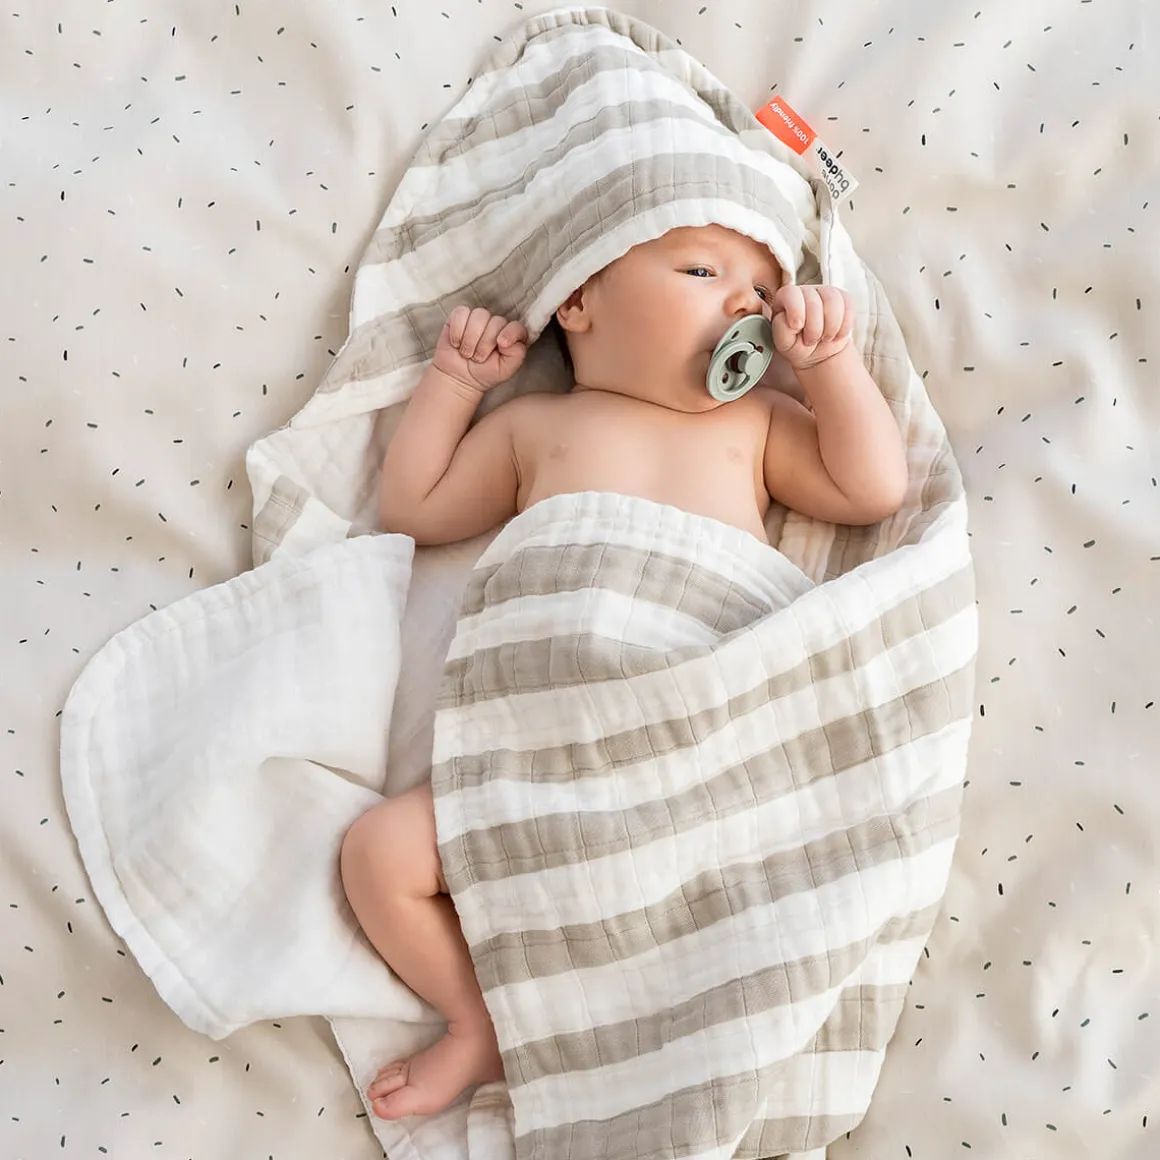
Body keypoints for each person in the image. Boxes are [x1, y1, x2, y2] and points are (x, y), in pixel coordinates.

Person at [339, 223, 909, 1120]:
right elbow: (415, 505)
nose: (747, 303)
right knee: (378, 855)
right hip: (541, 753)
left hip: (696, 744)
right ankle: (477, 1017)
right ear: (579, 301)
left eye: (764, 291)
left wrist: (830, 366)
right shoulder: (533, 427)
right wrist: (454, 385)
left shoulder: (755, 424)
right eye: (702, 269)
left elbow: (870, 488)